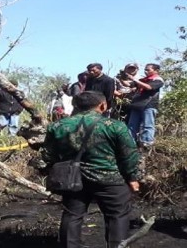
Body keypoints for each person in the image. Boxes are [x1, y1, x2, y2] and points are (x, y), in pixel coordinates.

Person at [41, 91, 140, 248]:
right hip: (110, 180)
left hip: (72, 179)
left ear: (75, 106)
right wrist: (132, 177)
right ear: (103, 105)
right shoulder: (115, 126)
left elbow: (48, 154)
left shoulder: (57, 126)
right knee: (117, 216)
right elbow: (129, 155)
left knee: (72, 215)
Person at [126, 63, 165, 148]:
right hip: (137, 105)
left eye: (148, 70)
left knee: (148, 125)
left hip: (149, 105)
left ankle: (146, 143)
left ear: (156, 71)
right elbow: (129, 85)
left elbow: (149, 87)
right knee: (131, 125)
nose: (146, 71)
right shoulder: (144, 79)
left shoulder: (158, 80)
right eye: (145, 69)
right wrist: (123, 77)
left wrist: (135, 80)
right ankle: (130, 142)